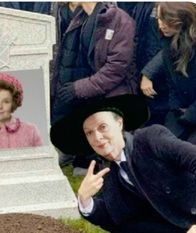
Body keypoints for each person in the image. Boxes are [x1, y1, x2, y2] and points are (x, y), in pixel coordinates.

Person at [50, 94, 196, 233]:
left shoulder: (151, 138)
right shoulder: (110, 172)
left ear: (119, 123)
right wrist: (85, 199)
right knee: (130, 224)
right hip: (177, 229)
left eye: (102, 127)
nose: (97, 137)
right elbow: (116, 219)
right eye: (89, 133)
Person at [51, 2, 137, 175]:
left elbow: (116, 69)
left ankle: (107, 162)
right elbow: (67, 56)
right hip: (85, 85)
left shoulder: (120, 20)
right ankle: (75, 152)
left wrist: (79, 88)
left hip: (113, 90)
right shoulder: (79, 17)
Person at [141, 2, 196, 147]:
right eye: (158, 19)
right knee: (164, 147)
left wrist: (191, 114)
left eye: (166, 20)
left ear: (182, 20)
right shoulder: (168, 42)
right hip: (182, 108)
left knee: (191, 152)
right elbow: (172, 81)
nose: (161, 25)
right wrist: (177, 109)